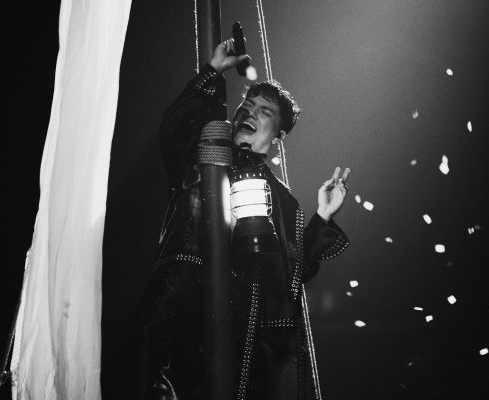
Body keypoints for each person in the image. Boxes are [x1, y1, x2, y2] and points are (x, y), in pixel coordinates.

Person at [136, 39, 350, 400]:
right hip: (182, 312)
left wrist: (323, 218)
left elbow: (289, 275)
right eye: (247, 105)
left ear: (278, 135)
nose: (250, 112)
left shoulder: (283, 200)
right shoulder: (205, 155)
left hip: (244, 341)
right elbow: (174, 129)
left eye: (264, 111)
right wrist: (211, 73)